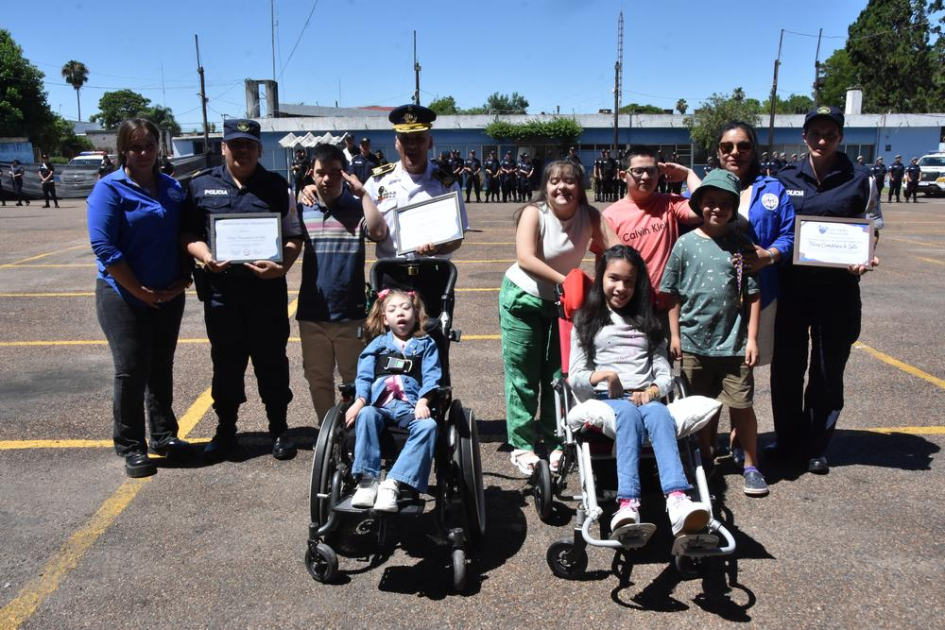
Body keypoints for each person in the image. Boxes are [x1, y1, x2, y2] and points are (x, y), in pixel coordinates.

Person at [180, 118, 304, 462]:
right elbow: (187, 234)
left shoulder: (278, 187)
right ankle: (226, 430)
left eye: (249, 144)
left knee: (273, 363)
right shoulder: (201, 186)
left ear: (259, 149)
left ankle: (279, 429)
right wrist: (206, 257)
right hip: (222, 295)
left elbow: (294, 235)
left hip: (266, 294)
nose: (242, 150)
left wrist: (282, 266)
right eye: (235, 144)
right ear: (224, 148)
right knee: (226, 364)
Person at [570, 245, 711, 534]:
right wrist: (606, 376)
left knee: (659, 414)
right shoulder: (586, 322)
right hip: (608, 399)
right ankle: (627, 503)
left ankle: (677, 499)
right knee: (628, 415)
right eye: (614, 279)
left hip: (644, 396)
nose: (621, 288)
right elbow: (576, 377)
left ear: (638, 284)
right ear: (601, 279)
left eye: (629, 282)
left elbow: (664, 372)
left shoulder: (649, 324)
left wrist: (655, 391)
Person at [772, 105, 881, 475]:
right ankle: (788, 441)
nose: (822, 140)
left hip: (838, 291)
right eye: (815, 133)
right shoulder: (784, 178)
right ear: (804, 137)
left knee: (827, 370)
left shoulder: (861, 178)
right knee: (787, 368)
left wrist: (865, 256)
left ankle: (817, 445)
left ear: (840, 137)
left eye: (830, 134)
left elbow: (872, 225)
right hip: (791, 289)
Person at [88, 118, 192, 478]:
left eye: (149, 145)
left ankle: (164, 437)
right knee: (132, 371)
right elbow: (103, 245)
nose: (144, 153)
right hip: (123, 296)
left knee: (161, 368)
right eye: (135, 147)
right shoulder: (109, 189)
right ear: (123, 150)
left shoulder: (172, 188)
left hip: (166, 294)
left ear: (159, 147)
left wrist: (183, 278)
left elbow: (184, 234)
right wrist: (138, 291)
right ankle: (131, 445)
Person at [500, 159, 616, 476]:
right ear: (546, 186)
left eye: (569, 181)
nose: (561, 187)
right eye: (554, 181)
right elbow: (525, 258)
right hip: (523, 297)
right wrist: (566, 280)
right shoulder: (533, 213)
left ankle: (556, 443)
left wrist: (608, 280)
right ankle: (522, 445)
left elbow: (615, 250)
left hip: (566, 304)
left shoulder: (590, 216)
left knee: (559, 376)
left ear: (581, 187)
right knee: (523, 375)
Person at [660, 169, 767, 496]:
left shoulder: (741, 245)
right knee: (699, 408)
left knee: (742, 405)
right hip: (694, 344)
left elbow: (752, 295)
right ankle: (704, 457)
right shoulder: (684, 244)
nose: (716, 209)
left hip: (734, 345)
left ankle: (750, 465)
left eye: (724, 203)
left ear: (734, 207)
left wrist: (751, 339)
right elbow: (672, 293)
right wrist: (675, 336)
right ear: (699, 204)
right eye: (709, 202)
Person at [296, 142, 388, 423]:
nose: (327, 179)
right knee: (318, 378)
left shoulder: (357, 208)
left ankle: (354, 430)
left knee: (355, 378)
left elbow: (379, 231)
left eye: (335, 173)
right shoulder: (302, 209)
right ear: (311, 173)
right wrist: (300, 194)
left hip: (350, 313)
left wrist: (363, 194)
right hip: (312, 313)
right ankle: (328, 431)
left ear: (345, 174)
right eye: (321, 173)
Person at [347, 289, 442, 512]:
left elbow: (432, 377)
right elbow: (364, 376)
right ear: (385, 320)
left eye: (406, 308)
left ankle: (392, 483)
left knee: (429, 426)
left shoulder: (426, 344)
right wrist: (360, 401)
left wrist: (423, 402)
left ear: (416, 314)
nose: (400, 313)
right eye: (393, 310)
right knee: (366, 415)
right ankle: (368, 481)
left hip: (411, 406)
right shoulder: (377, 345)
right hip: (380, 405)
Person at [602, 146, 702, 333]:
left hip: (666, 307)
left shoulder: (670, 203)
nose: (646, 177)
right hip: (629, 307)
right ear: (623, 175)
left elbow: (702, 208)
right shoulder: (609, 216)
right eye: (638, 171)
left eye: (651, 171)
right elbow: (605, 267)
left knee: (663, 361)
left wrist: (688, 174)